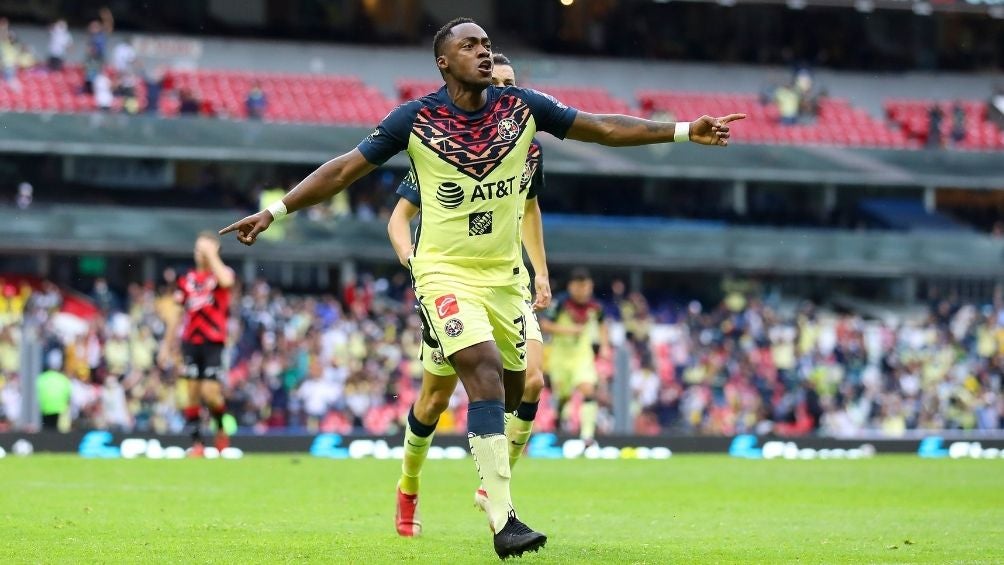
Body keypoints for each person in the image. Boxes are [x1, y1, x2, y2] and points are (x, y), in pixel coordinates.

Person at [219, 17, 742, 559]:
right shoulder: (416, 119)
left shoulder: (522, 111)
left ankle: (484, 489)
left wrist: (682, 130)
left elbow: (603, 127)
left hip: (503, 280)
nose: (483, 52)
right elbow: (344, 170)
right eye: (470, 46)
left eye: (487, 44)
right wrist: (275, 210)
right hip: (443, 272)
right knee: (481, 372)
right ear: (443, 61)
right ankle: (501, 518)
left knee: (521, 388)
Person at [385, 52, 551, 537]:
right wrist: (410, 258)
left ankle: (495, 493)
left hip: (508, 281)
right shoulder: (444, 148)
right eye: (497, 82)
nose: (504, 93)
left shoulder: (528, 146)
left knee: (532, 383)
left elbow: (531, 211)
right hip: (452, 279)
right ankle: (409, 483)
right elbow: (399, 216)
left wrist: (540, 272)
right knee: (434, 400)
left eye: (511, 84)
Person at [158, 232, 235, 456]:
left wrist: (212, 254)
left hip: (214, 342)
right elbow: (176, 316)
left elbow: (227, 282)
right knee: (191, 392)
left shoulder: (221, 274)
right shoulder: (186, 280)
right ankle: (197, 444)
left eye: (204, 249)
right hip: (190, 342)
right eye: (197, 249)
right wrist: (166, 345)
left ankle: (220, 428)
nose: (199, 253)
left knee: (210, 393)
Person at [540, 268, 609, 444]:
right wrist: (569, 330)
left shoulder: (595, 307)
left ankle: (587, 436)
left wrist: (605, 346)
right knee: (563, 396)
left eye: (585, 286)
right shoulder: (560, 304)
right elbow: (545, 324)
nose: (582, 291)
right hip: (560, 357)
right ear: (571, 287)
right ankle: (558, 422)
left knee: (587, 389)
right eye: (578, 287)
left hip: (582, 357)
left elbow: (602, 325)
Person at [37, 350, 71, 432]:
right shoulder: (64, 379)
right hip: (59, 412)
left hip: (44, 411)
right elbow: (68, 398)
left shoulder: (41, 378)